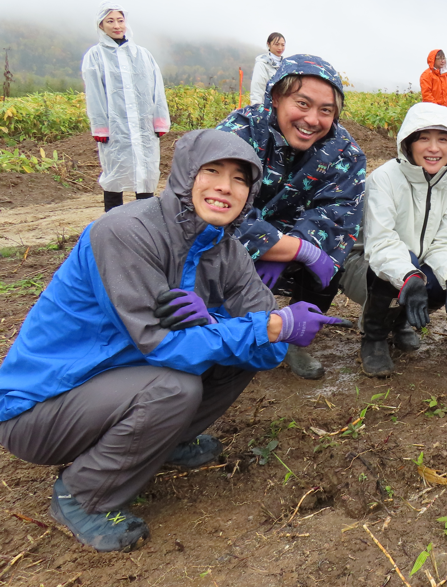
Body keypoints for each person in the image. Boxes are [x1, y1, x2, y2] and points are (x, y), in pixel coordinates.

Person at [0, 130, 344, 552]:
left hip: (120, 382)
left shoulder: (229, 252)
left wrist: (224, 319)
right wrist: (264, 325)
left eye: (240, 178)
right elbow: (163, 346)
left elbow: (268, 351)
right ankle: (81, 495)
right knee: (174, 386)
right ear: (184, 174)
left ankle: (165, 440)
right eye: (212, 171)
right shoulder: (125, 233)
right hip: (43, 406)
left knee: (240, 355)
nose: (225, 186)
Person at [215, 54, 368, 380]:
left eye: (326, 110)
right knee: (208, 257)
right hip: (235, 243)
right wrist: (281, 247)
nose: (313, 119)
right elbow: (218, 208)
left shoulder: (344, 152)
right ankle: (221, 331)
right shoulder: (241, 131)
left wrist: (297, 248)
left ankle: (295, 338)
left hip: (295, 238)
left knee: (329, 259)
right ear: (276, 97)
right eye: (302, 103)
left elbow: (336, 216)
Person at [355, 103, 447, 377]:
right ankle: (373, 336)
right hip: (366, 267)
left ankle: (399, 324)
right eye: (424, 138)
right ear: (408, 143)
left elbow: (445, 243)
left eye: (443, 139)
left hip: (415, 264)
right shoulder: (384, 178)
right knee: (405, 268)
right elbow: (381, 243)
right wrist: (410, 275)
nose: (434, 148)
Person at [82, 3, 170, 212]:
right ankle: (112, 221)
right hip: (116, 128)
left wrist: (159, 119)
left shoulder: (142, 54)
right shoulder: (95, 56)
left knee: (146, 172)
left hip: (143, 127)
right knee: (115, 173)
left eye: (120, 20)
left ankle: (145, 220)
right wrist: (100, 126)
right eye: (110, 21)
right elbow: (94, 94)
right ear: (101, 26)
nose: (116, 25)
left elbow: (156, 88)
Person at [249, 32, 284, 107]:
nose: (280, 48)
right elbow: (257, 90)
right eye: (276, 44)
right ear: (268, 44)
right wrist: (257, 111)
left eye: (282, 45)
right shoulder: (262, 64)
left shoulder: (286, 65)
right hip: (267, 109)